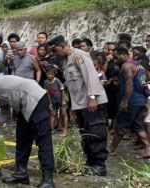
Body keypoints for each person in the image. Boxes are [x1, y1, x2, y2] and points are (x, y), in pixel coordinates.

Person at [48, 35, 109, 176]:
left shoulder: (79, 55)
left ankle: (100, 166)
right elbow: (73, 85)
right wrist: (73, 108)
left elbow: (90, 76)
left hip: (92, 102)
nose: (54, 54)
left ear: (62, 46)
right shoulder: (65, 61)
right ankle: (90, 162)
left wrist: (92, 97)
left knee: (96, 133)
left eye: (55, 50)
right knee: (86, 134)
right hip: (81, 104)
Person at [108, 47, 150, 159]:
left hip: (131, 101)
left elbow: (129, 84)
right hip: (140, 100)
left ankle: (112, 149)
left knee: (120, 126)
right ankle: (148, 149)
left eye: (116, 57)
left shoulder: (126, 66)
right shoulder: (138, 65)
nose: (115, 60)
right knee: (138, 126)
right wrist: (145, 100)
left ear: (123, 54)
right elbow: (145, 80)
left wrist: (125, 101)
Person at [44, 66, 68, 137]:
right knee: (53, 114)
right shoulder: (45, 82)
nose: (50, 75)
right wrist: (50, 103)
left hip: (61, 99)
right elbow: (47, 93)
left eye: (52, 74)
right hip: (53, 101)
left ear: (54, 74)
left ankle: (65, 131)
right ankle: (52, 129)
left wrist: (63, 100)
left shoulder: (57, 80)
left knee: (64, 113)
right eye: (48, 74)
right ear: (46, 74)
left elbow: (62, 90)